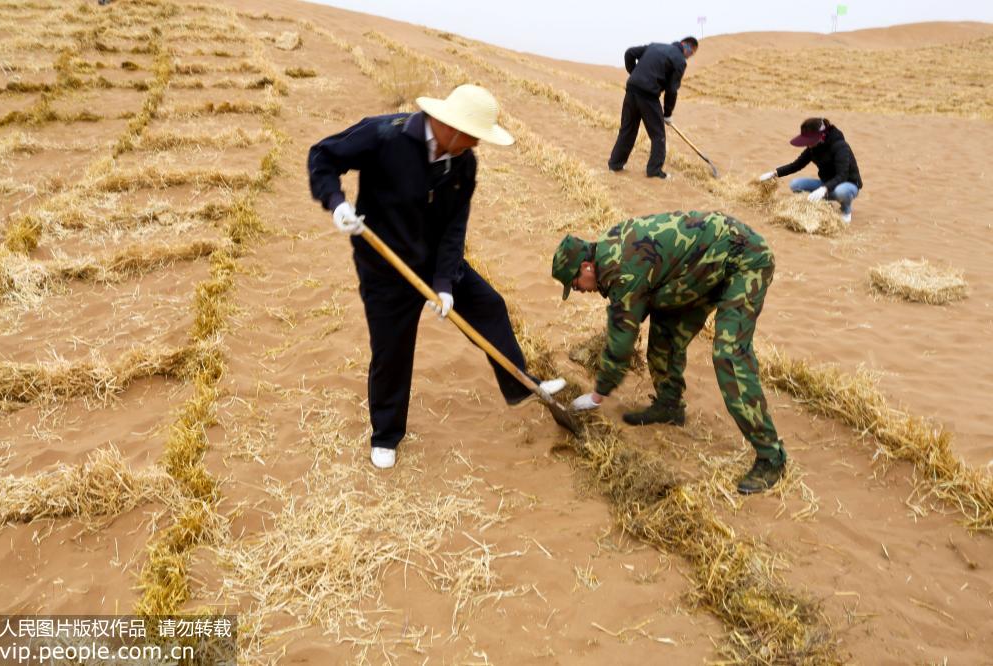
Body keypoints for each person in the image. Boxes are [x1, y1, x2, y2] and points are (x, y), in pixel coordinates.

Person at [308, 84, 565, 469]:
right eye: (474, 136)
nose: (476, 145)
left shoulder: (463, 163)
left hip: (432, 260)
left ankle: (520, 384)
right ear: (451, 127)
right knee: (392, 349)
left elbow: (453, 228)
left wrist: (445, 284)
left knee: (489, 305)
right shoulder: (384, 136)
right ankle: (386, 435)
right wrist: (336, 202)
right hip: (385, 266)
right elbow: (323, 156)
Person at [551, 211, 787, 494]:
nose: (577, 289)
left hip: (743, 261)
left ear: (587, 267)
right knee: (664, 330)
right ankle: (669, 404)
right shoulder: (608, 249)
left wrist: (597, 394)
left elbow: (622, 338)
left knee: (729, 355)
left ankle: (771, 456)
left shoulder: (620, 270)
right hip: (702, 271)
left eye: (574, 283)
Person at [608, 37, 698, 180]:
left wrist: (635, 73)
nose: (690, 56)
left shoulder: (654, 46)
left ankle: (615, 164)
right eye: (692, 53)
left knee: (628, 129)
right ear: (687, 47)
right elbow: (672, 90)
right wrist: (667, 114)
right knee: (658, 135)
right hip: (648, 95)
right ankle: (654, 170)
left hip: (632, 89)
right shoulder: (680, 60)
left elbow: (629, 53)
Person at [759, 117, 863, 224]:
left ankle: (846, 210)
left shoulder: (840, 146)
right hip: (826, 184)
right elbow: (796, 165)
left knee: (841, 191)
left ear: (821, 136)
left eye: (810, 140)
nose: (807, 144)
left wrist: (824, 189)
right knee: (795, 185)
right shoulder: (813, 148)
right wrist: (775, 173)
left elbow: (842, 175)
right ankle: (825, 206)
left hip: (848, 184)